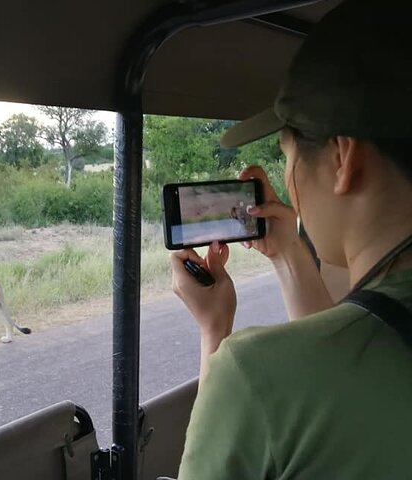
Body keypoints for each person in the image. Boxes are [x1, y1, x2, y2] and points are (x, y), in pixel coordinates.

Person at [169, 0, 412, 478]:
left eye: (287, 152)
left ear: (343, 158)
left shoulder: (254, 375)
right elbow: (355, 348)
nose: (288, 175)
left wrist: (215, 332)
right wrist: (288, 254)